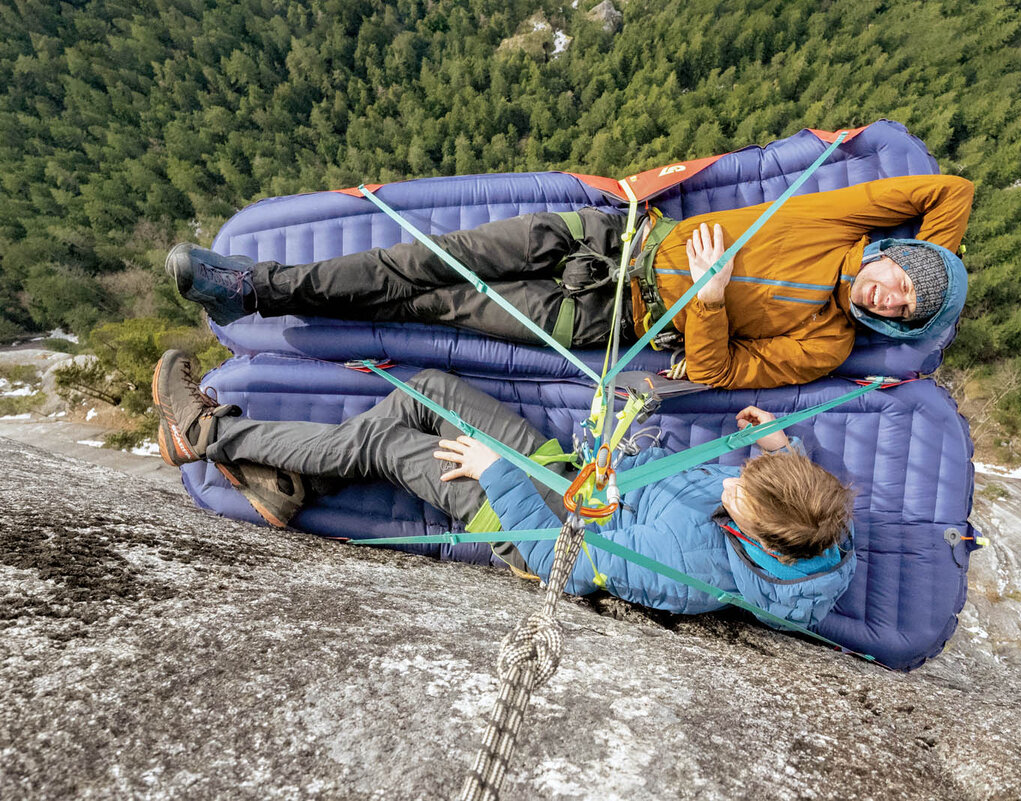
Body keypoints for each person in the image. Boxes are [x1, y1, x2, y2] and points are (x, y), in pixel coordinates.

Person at [153, 349, 858, 627]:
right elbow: (782, 495)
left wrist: (496, 473)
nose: (731, 480)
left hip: (526, 523)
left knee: (386, 442)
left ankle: (209, 437)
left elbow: (574, 567)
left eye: (741, 492)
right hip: (573, 476)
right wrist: (778, 448)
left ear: (760, 540)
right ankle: (283, 484)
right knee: (426, 390)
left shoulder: (690, 567)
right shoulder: (819, 523)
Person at [168, 174, 974, 389]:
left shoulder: (828, 344)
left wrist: (714, 302)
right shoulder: (847, 225)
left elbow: (719, 372)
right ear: (895, 255)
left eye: (905, 311)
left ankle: (262, 293)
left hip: (600, 314)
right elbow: (952, 192)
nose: (892, 295)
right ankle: (253, 284)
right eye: (904, 281)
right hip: (604, 235)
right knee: (414, 262)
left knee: (428, 302)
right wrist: (942, 268)